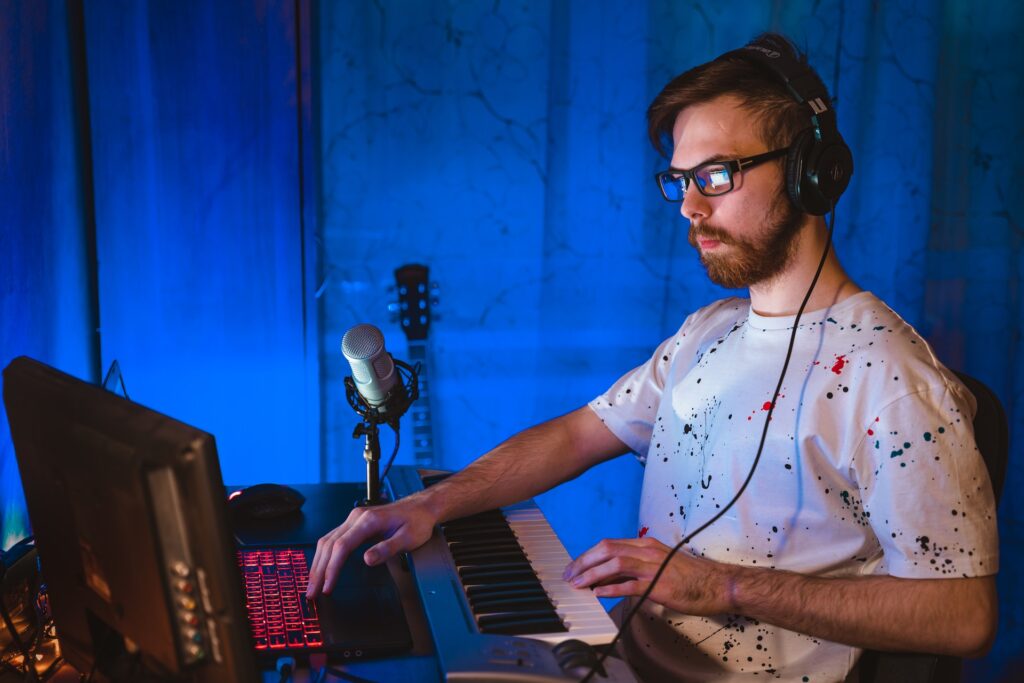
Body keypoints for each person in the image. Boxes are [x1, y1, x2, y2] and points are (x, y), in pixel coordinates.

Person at [306, 33, 999, 682]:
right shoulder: (708, 331)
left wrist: (719, 584)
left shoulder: (894, 380)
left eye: (717, 175)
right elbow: (581, 431)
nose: (689, 208)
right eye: (679, 180)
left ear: (808, 173)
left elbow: (964, 617)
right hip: (622, 656)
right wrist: (433, 502)